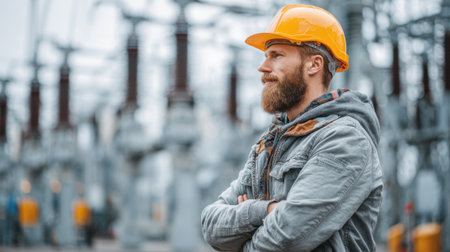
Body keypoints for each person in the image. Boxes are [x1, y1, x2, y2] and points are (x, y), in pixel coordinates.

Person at [201, 4, 383, 252]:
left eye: (276, 55)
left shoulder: (345, 139)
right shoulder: (268, 144)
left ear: (314, 65)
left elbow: (286, 237)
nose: (263, 67)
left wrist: (242, 226)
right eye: (266, 55)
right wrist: (263, 210)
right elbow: (210, 225)